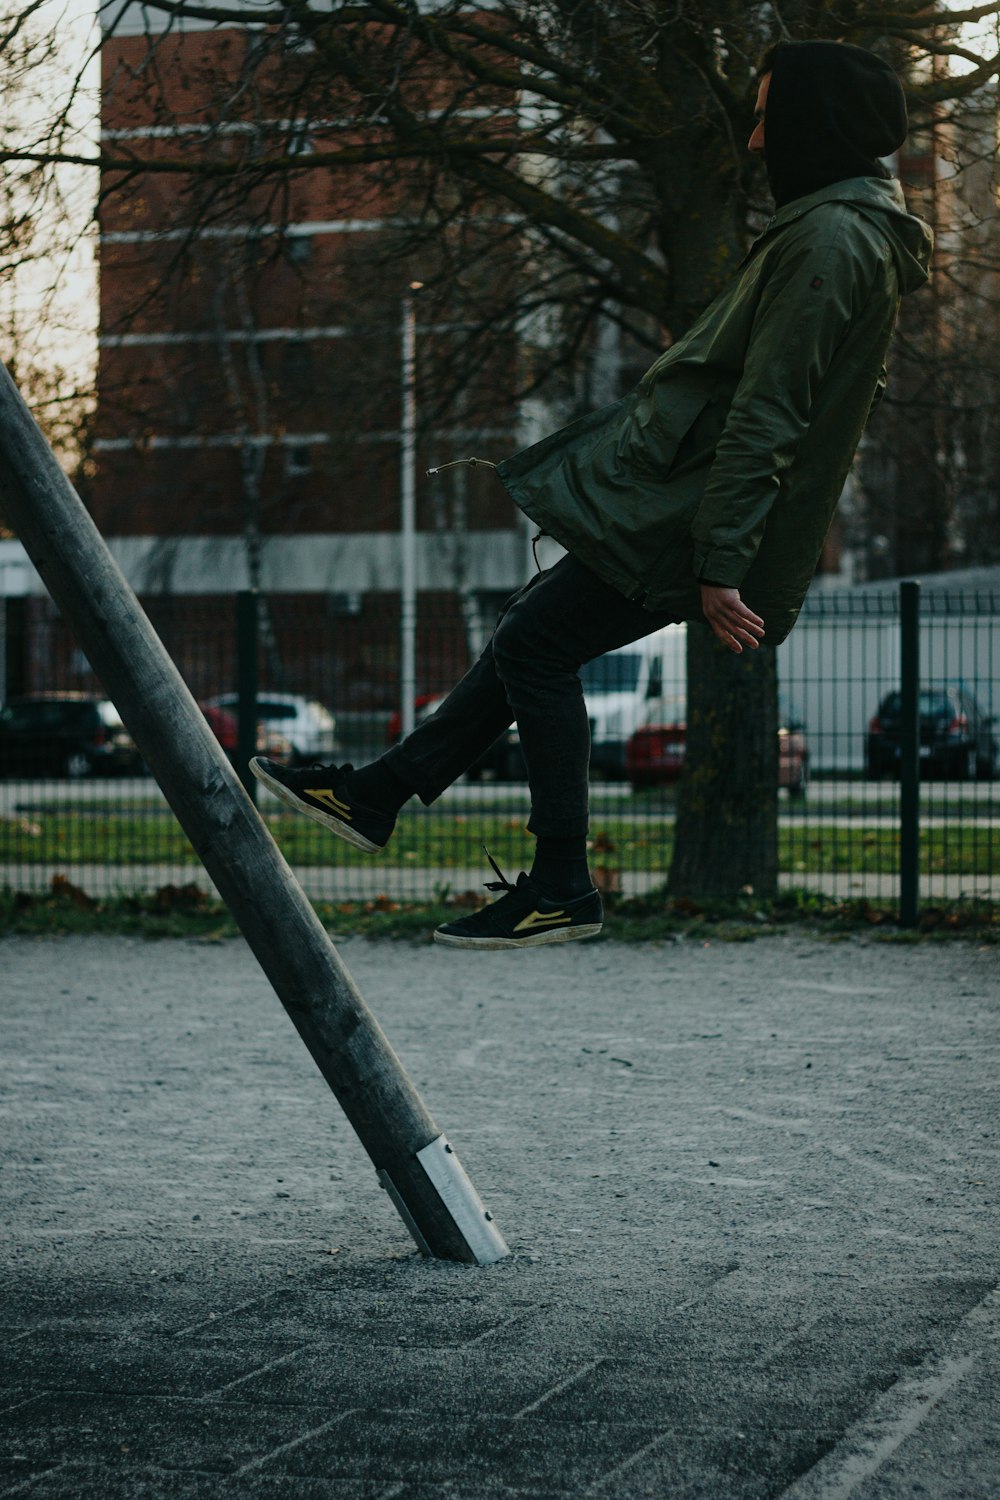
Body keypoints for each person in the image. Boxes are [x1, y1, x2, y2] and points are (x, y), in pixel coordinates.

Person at [252, 39, 933, 950]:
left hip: (693, 514)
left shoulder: (830, 241)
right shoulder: (840, 232)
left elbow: (774, 414)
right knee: (533, 622)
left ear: (820, 126)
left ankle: (558, 881)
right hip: (691, 503)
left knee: (535, 643)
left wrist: (725, 559)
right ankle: (380, 796)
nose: (759, 141)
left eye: (772, 117)